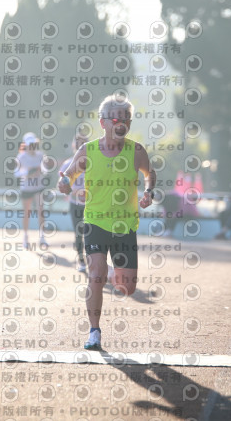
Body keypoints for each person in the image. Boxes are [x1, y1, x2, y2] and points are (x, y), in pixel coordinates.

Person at [58, 94, 156, 350]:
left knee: (127, 288)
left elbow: (149, 173)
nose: (122, 124)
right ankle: (94, 332)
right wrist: (64, 184)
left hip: (125, 225)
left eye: (127, 119)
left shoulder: (136, 151)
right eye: (116, 119)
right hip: (95, 222)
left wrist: (149, 191)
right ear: (103, 123)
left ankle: (112, 273)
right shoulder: (87, 151)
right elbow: (68, 176)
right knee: (95, 275)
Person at [59, 134, 88, 272]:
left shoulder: (93, 164)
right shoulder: (68, 164)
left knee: (92, 233)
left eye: (83, 144)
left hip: (92, 205)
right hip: (75, 204)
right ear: (73, 146)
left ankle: (95, 261)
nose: (79, 146)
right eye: (77, 144)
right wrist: (73, 191)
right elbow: (62, 186)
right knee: (78, 233)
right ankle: (81, 260)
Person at [16, 132, 49, 249]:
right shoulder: (21, 157)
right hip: (26, 188)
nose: (32, 147)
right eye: (29, 145)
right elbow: (16, 173)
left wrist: (40, 171)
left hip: (39, 187)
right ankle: (25, 237)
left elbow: (45, 169)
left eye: (33, 144)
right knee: (27, 212)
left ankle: (42, 237)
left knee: (41, 210)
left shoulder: (41, 155)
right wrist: (28, 172)